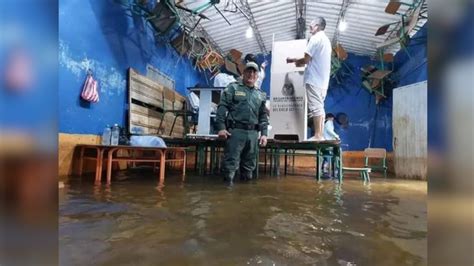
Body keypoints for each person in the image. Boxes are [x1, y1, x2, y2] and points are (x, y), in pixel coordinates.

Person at [216, 61, 269, 183]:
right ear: (243, 73)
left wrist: (264, 134)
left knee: (249, 168)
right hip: (235, 133)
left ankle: (245, 197)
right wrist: (221, 128)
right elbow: (222, 107)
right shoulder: (233, 88)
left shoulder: (260, 95)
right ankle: (227, 194)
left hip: (253, 135)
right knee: (230, 167)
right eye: (248, 71)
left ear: (257, 75)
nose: (251, 74)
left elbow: (263, 116)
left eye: (254, 72)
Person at [286, 17, 332, 141]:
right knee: (319, 107)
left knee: (316, 108)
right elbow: (310, 60)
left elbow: (306, 60)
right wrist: (295, 60)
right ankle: (320, 135)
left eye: (311, 25)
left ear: (317, 26)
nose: (310, 27)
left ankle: (318, 136)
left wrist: (296, 62)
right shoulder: (326, 40)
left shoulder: (315, 38)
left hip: (314, 80)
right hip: (322, 82)